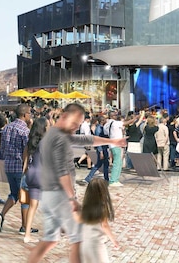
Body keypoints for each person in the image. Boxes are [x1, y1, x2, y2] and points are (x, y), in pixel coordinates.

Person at [26, 103, 124, 263]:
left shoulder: (56, 134)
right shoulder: (58, 138)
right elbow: (61, 171)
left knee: (50, 240)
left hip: (49, 195)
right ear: (64, 117)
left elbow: (86, 139)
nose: (75, 129)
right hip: (58, 195)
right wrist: (71, 198)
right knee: (78, 237)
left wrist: (112, 141)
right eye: (74, 124)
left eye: (77, 126)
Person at [0, 103, 31, 232]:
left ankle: (1, 215)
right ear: (25, 115)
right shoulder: (25, 131)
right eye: (29, 113)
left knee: (14, 194)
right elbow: (27, 150)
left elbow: (2, 148)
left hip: (9, 166)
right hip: (21, 166)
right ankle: (24, 226)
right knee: (25, 197)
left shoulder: (7, 128)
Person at [79, 179, 119, 263]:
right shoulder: (102, 207)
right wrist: (114, 240)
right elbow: (104, 225)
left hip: (84, 244)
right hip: (96, 245)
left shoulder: (84, 206)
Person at [23, 117, 49, 243]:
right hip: (42, 175)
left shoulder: (30, 141)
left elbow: (25, 160)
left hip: (31, 174)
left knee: (32, 206)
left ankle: (27, 235)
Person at [105, 111, 125, 187]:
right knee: (117, 162)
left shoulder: (107, 124)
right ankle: (113, 180)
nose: (116, 116)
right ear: (112, 116)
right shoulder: (116, 123)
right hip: (116, 144)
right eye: (115, 115)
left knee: (118, 162)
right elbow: (126, 123)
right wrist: (136, 118)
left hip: (112, 144)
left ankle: (115, 179)